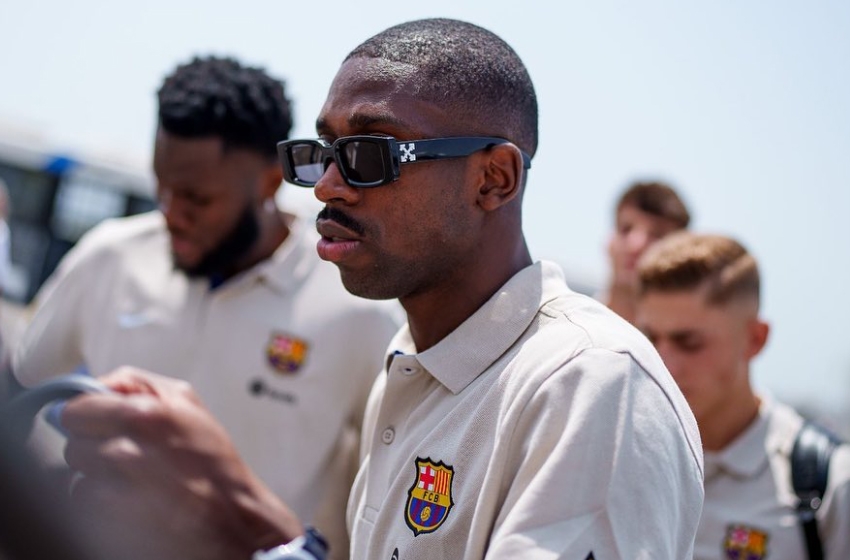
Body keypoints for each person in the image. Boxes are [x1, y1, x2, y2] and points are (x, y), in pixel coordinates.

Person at [56, 18, 704, 560]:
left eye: (372, 154)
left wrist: (246, 523)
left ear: (494, 179)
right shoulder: (413, 367)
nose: (327, 186)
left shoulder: (590, 386)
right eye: (324, 150)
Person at [11, 55, 401, 558]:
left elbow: (379, 495)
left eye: (197, 199)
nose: (172, 213)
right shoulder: (109, 256)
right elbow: (18, 392)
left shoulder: (357, 309)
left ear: (269, 182)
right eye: (163, 187)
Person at [635, 231, 850, 560]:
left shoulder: (830, 482)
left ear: (754, 339)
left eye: (689, 343)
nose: (663, 363)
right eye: (649, 339)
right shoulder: (621, 458)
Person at [601, 180, 690, 324]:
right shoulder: (569, 320)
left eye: (656, 235)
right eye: (626, 229)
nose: (635, 245)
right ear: (609, 242)